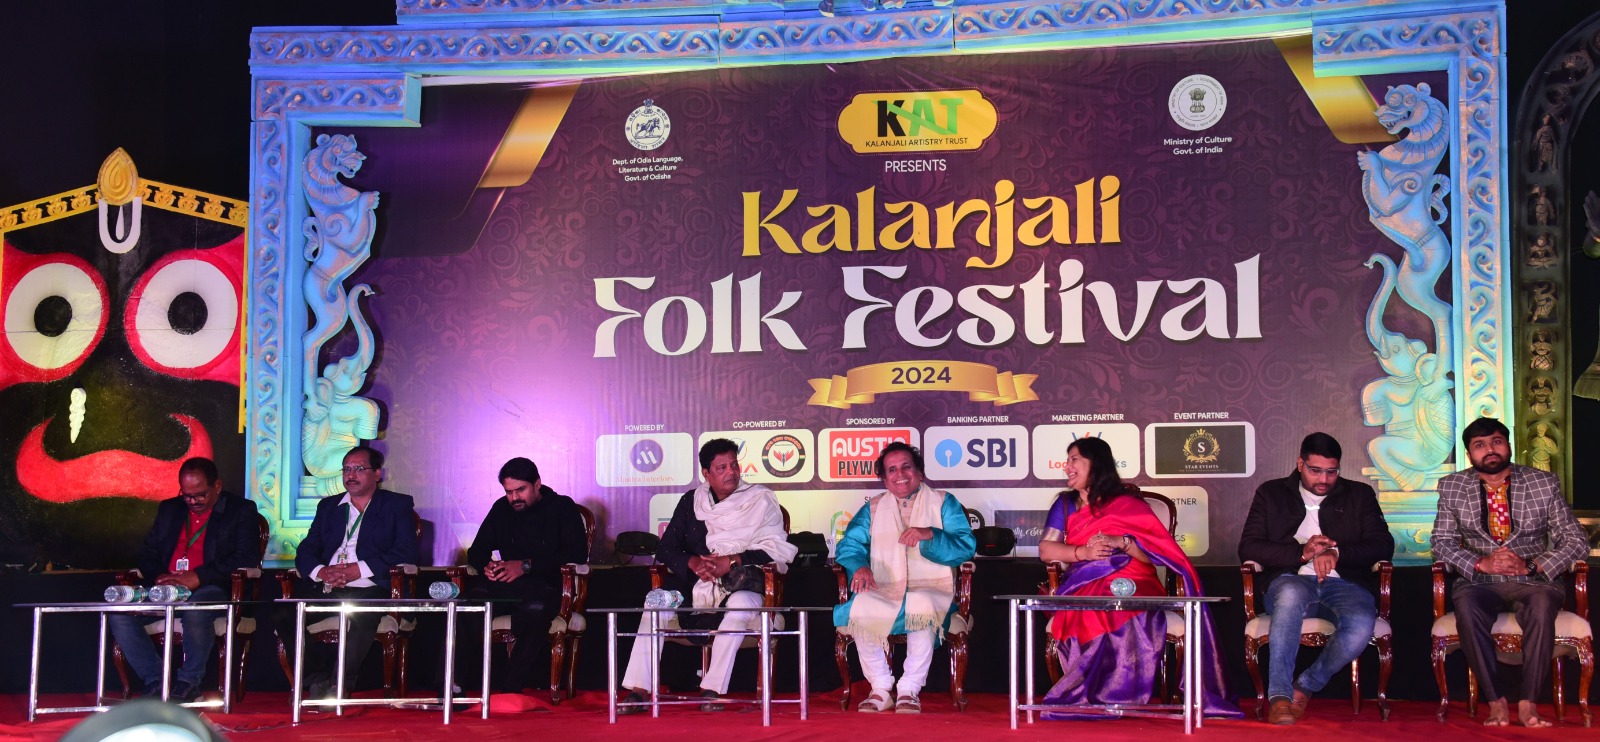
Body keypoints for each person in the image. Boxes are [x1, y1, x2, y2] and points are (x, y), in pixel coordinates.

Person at [1037, 436, 1238, 718]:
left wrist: (1122, 543)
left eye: (1074, 459)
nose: (1067, 466)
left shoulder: (1129, 504)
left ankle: (1116, 695)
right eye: (1067, 460)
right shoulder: (1066, 504)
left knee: (1120, 602)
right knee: (1092, 604)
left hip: (1134, 578)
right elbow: (1046, 550)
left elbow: (1156, 556)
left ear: (1096, 464)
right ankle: (1091, 694)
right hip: (1085, 579)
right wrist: (1084, 552)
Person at [618, 438, 797, 712]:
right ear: (706, 473)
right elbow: (666, 548)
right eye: (721, 468)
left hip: (742, 586)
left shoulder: (759, 499)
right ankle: (640, 690)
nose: (731, 472)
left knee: (740, 603)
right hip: (693, 587)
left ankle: (711, 689)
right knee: (655, 602)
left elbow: (777, 547)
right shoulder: (692, 501)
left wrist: (732, 561)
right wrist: (693, 563)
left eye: (734, 465)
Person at [1432, 417, 1588, 728]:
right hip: (1479, 581)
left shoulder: (1543, 482)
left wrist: (1532, 565)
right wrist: (1481, 563)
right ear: (1469, 455)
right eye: (1479, 445)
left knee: (1541, 605)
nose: (1489, 449)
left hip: (1533, 580)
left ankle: (1529, 703)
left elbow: (1576, 540)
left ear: (1509, 446)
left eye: (1496, 442)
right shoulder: (1452, 486)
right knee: (1466, 607)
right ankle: (1496, 702)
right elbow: (1441, 542)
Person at [1238, 432, 1394, 724]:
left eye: (1332, 472)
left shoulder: (1359, 494)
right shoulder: (1271, 493)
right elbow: (1249, 547)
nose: (1324, 479)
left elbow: (1383, 545)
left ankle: (1304, 688)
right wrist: (1301, 553)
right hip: (1290, 580)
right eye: (1315, 470)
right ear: (1300, 464)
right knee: (1291, 595)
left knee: (1361, 622)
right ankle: (1279, 698)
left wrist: (1337, 553)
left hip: (1344, 583)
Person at [834, 442, 975, 713]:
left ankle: (909, 689)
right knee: (862, 605)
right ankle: (880, 688)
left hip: (932, 588)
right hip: (885, 588)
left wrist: (930, 534)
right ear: (884, 478)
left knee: (921, 604)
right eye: (892, 470)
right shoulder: (874, 508)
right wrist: (860, 566)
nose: (900, 474)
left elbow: (965, 546)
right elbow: (850, 546)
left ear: (919, 472)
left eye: (906, 467)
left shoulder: (943, 502)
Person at [109, 457, 262, 702]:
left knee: (196, 607)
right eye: (187, 495)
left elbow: (246, 557)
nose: (192, 501)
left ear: (217, 486)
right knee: (120, 613)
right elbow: (147, 554)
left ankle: (189, 684)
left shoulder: (240, 510)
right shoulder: (170, 509)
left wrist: (199, 577)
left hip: (213, 587)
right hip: (167, 590)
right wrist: (160, 576)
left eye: (200, 495)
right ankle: (156, 682)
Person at [288, 445, 419, 697]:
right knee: (284, 612)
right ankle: (317, 679)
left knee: (363, 615)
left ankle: (339, 685)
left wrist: (358, 570)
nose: (351, 475)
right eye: (346, 469)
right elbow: (306, 550)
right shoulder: (329, 506)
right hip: (329, 586)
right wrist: (321, 572)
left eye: (359, 469)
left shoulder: (396, 504)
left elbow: (407, 551)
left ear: (377, 474)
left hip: (371, 587)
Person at [460, 457, 588, 693]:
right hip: (505, 587)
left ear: (537, 484)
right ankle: (451, 685)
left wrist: (525, 566)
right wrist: (487, 566)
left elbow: (576, 553)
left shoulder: (561, 507)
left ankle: (510, 688)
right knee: (466, 603)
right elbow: (476, 551)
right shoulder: (502, 508)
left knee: (536, 610)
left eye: (521, 490)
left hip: (546, 586)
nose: (514, 498)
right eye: (509, 492)